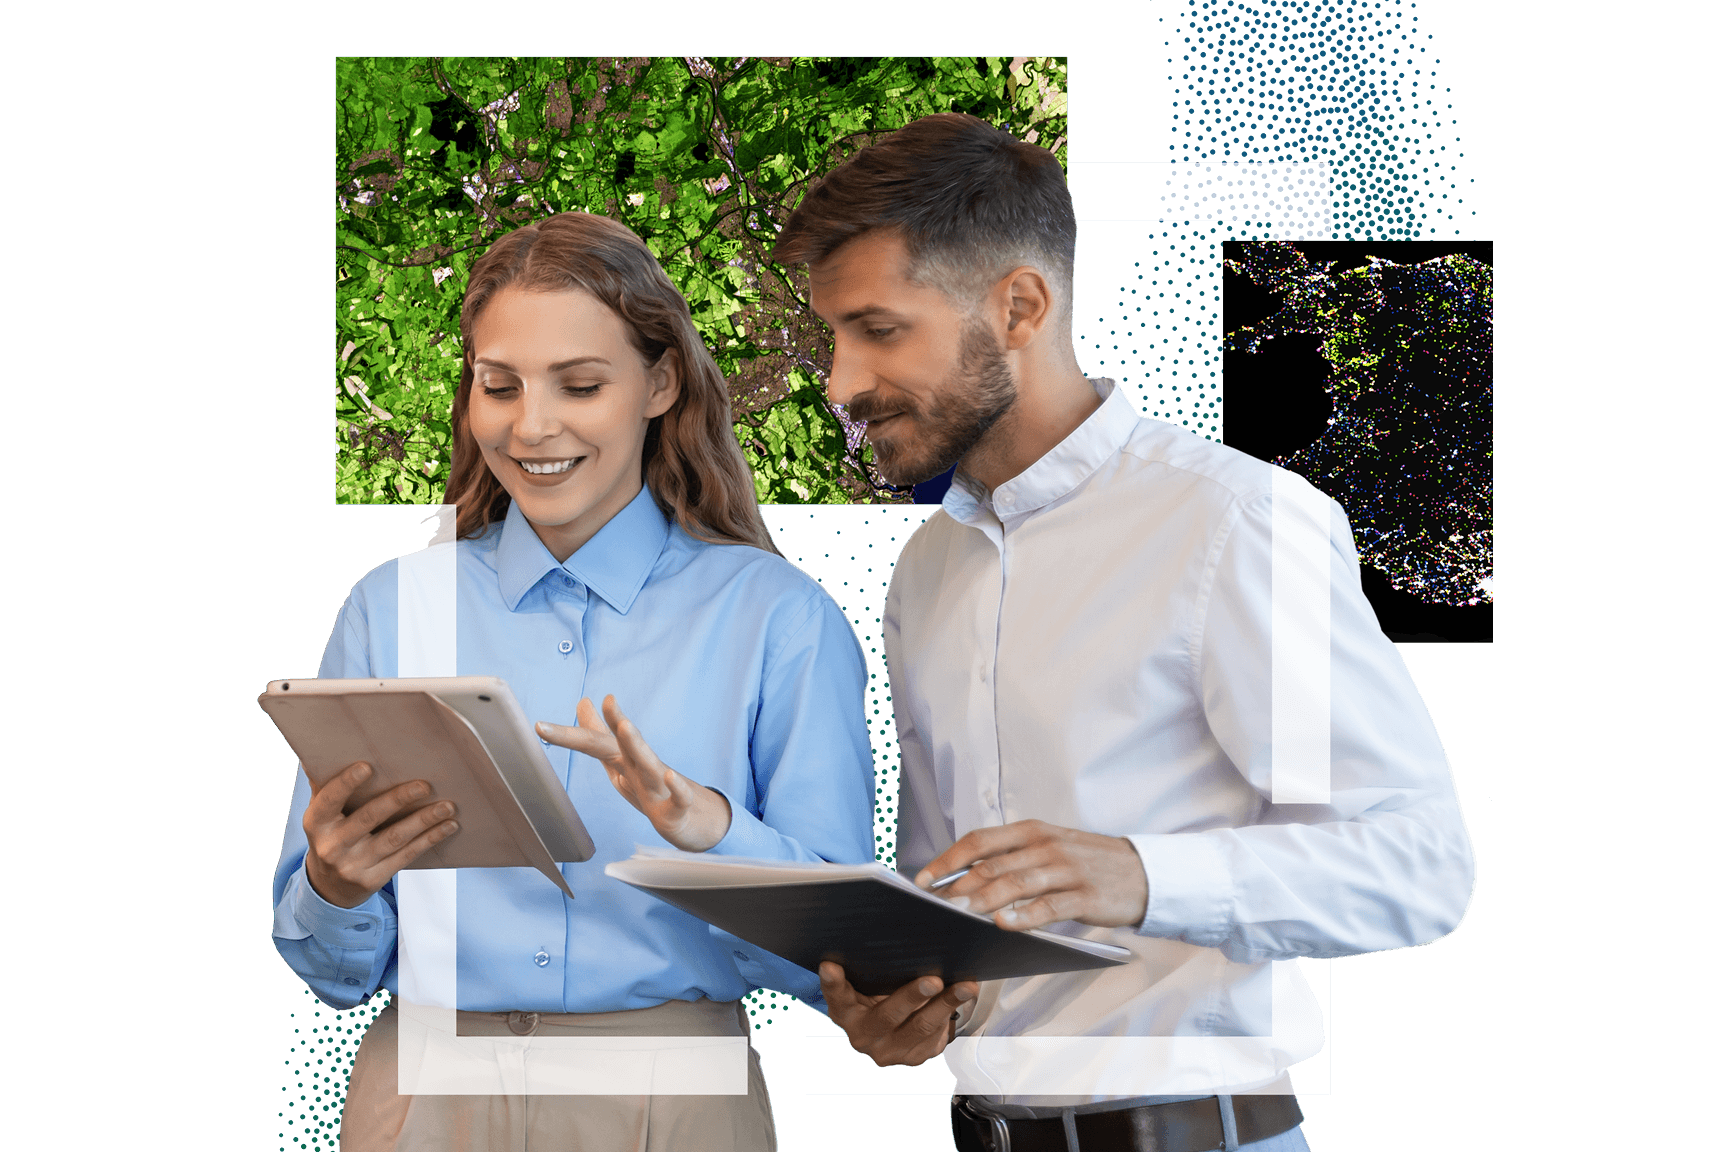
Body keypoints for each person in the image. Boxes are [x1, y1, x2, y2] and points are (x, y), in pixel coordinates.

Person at [770, 114, 1477, 1152]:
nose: (838, 384)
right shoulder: (928, 569)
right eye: (835, 337)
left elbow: (1419, 862)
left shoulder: (1233, 524)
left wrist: (1145, 878)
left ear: (1019, 304)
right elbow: (961, 903)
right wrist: (920, 1003)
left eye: (878, 331)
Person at [273, 211, 876, 1151]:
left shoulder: (777, 617)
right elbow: (328, 966)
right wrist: (334, 886)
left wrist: (711, 830)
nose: (532, 425)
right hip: (421, 1091)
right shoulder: (388, 610)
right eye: (499, 386)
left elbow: (840, 958)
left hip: (677, 1102)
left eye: (581, 384)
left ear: (661, 382)